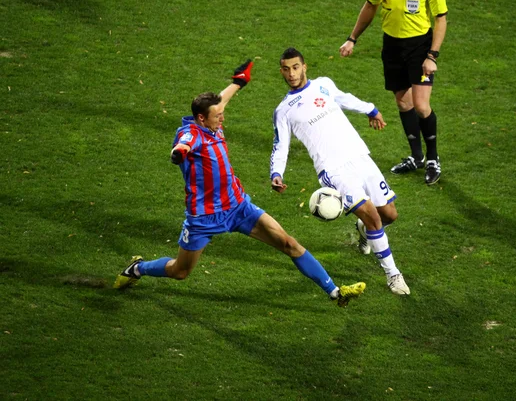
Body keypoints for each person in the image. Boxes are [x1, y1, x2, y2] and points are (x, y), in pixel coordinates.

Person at [114, 60, 366, 308]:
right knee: (180, 272)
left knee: (289, 243)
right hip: (204, 217)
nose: (222, 119)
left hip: (238, 206)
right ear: (201, 118)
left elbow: (221, 101)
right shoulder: (191, 134)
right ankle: (138, 268)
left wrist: (239, 82)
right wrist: (178, 153)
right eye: (217, 117)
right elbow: (183, 145)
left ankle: (335, 292)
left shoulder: (211, 119)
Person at [270, 48, 410, 295]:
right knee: (373, 216)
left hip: (360, 157)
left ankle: (364, 231)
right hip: (332, 169)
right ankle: (393, 274)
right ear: (281, 71)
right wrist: (276, 173)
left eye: (295, 67)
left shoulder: (324, 84)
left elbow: (344, 98)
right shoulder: (284, 110)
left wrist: (371, 109)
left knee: (389, 215)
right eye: (285, 69)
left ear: (305, 67)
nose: (291, 73)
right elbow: (280, 144)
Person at [339, 0, 448, 185]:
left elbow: (440, 18)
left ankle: (433, 159)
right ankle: (417, 157)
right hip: (392, 46)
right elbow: (370, 6)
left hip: (420, 46)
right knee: (403, 103)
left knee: (421, 106)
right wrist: (352, 38)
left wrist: (432, 55)